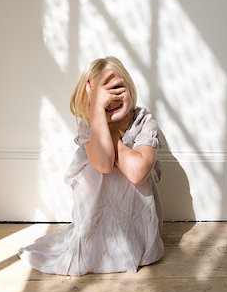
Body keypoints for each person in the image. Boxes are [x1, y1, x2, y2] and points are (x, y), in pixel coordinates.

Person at [18, 56, 164, 276]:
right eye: (100, 95)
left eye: (117, 87)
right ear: (91, 103)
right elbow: (104, 165)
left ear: (130, 88)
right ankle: (99, 248)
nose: (111, 97)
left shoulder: (143, 122)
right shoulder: (90, 127)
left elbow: (137, 172)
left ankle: (130, 246)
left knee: (130, 174)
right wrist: (98, 114)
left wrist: (113, 135)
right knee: (94, 173)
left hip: (136, 224)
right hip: (98, 224)